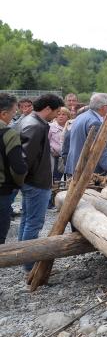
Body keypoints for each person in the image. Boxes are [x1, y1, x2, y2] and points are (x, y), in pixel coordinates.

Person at [16, 94, 63, 267]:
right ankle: (29, 265)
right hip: (35, 182)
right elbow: (25, 158)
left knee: (27, 219)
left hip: (32, 180)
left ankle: (20, 256)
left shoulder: (29, 121)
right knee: (34, 223)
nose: (57, 115)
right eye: (56, 111)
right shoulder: (36, 126)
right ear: (48, 109)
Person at [65, 93, 107, 179]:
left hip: (74, 166)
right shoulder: (94, 122)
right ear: (103, 107)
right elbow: (99, 150)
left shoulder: (81, 117)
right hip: (86, 170)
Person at [0, 94, 27, 244]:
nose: (14, 116)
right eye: (13, 113)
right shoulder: (9, 134)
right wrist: (18, 184)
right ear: (3, 113)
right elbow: (18, 168)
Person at [48, 107, 70, 182]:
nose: (61, 116)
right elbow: (46, 141)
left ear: (68, 116)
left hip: (67, 156)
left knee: (68, 177)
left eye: (64, 114)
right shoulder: (50, 127)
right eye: (59, 114)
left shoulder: (71, 126)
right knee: (55, 177)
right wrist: (51, 150)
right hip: (55, 157)